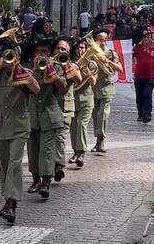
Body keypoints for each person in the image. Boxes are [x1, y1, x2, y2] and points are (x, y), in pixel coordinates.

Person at [0, 38, 39, 223]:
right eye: (8, 56)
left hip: (19, 125)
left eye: (14, 56)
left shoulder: (23, 73)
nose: (11, 60)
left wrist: (21, 73)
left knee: (14, 163)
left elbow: (36, 89)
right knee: (5, 165)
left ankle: (12, 203)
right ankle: (7, 199)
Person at [27, 37, 66, 200]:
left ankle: (46, 181)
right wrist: (35, 71)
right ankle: (35, 179)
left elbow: (63, 88)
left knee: (47, 149)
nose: (41, 54)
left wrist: (53, 74)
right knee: (33, 149)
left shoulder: (57, 66)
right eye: (38, 51)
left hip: (50, 113)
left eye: (44, 51)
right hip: (32, 113)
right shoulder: (29, 67)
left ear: (49, 53)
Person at [51, 37, 82, 183]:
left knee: (60, 137)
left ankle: (58, 165)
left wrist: (68, 67)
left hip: (65, 107)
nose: (60, 51)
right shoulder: (48, 63)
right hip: (49, 106)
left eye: (64, 49)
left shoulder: (71, 65)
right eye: (58, 48)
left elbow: (79, 80)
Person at [91, 28, 123, 150]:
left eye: (105, 40)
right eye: (100, 40)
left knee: (103, 114)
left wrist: (108, 62)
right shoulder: (91, 53)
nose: (102, 42)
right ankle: (97, 139)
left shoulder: (111, 53)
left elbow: (120, 68)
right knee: (95, 115)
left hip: (106, 86)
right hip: (94, 87)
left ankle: (101, 140)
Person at [68, 39, 97, 168]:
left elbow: (93, 82)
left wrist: (86, 70)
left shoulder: (91, 64)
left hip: (86, 99)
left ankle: (81, 152)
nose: (80, 51)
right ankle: (75, 151)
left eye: (83, 48)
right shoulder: (70, 63)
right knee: (73, 127)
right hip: (72, 99)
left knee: (81, 124)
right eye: (78, 48)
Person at [133, 28, 154, 123]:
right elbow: (129, 56)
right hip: (139, 75)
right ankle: (140, 113)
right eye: (144, 36)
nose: (146, 38)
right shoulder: (137, 48)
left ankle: (147, 115)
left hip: (151, 76)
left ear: (150, 37)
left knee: (147, 94)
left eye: (148, 36)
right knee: (139, 96)